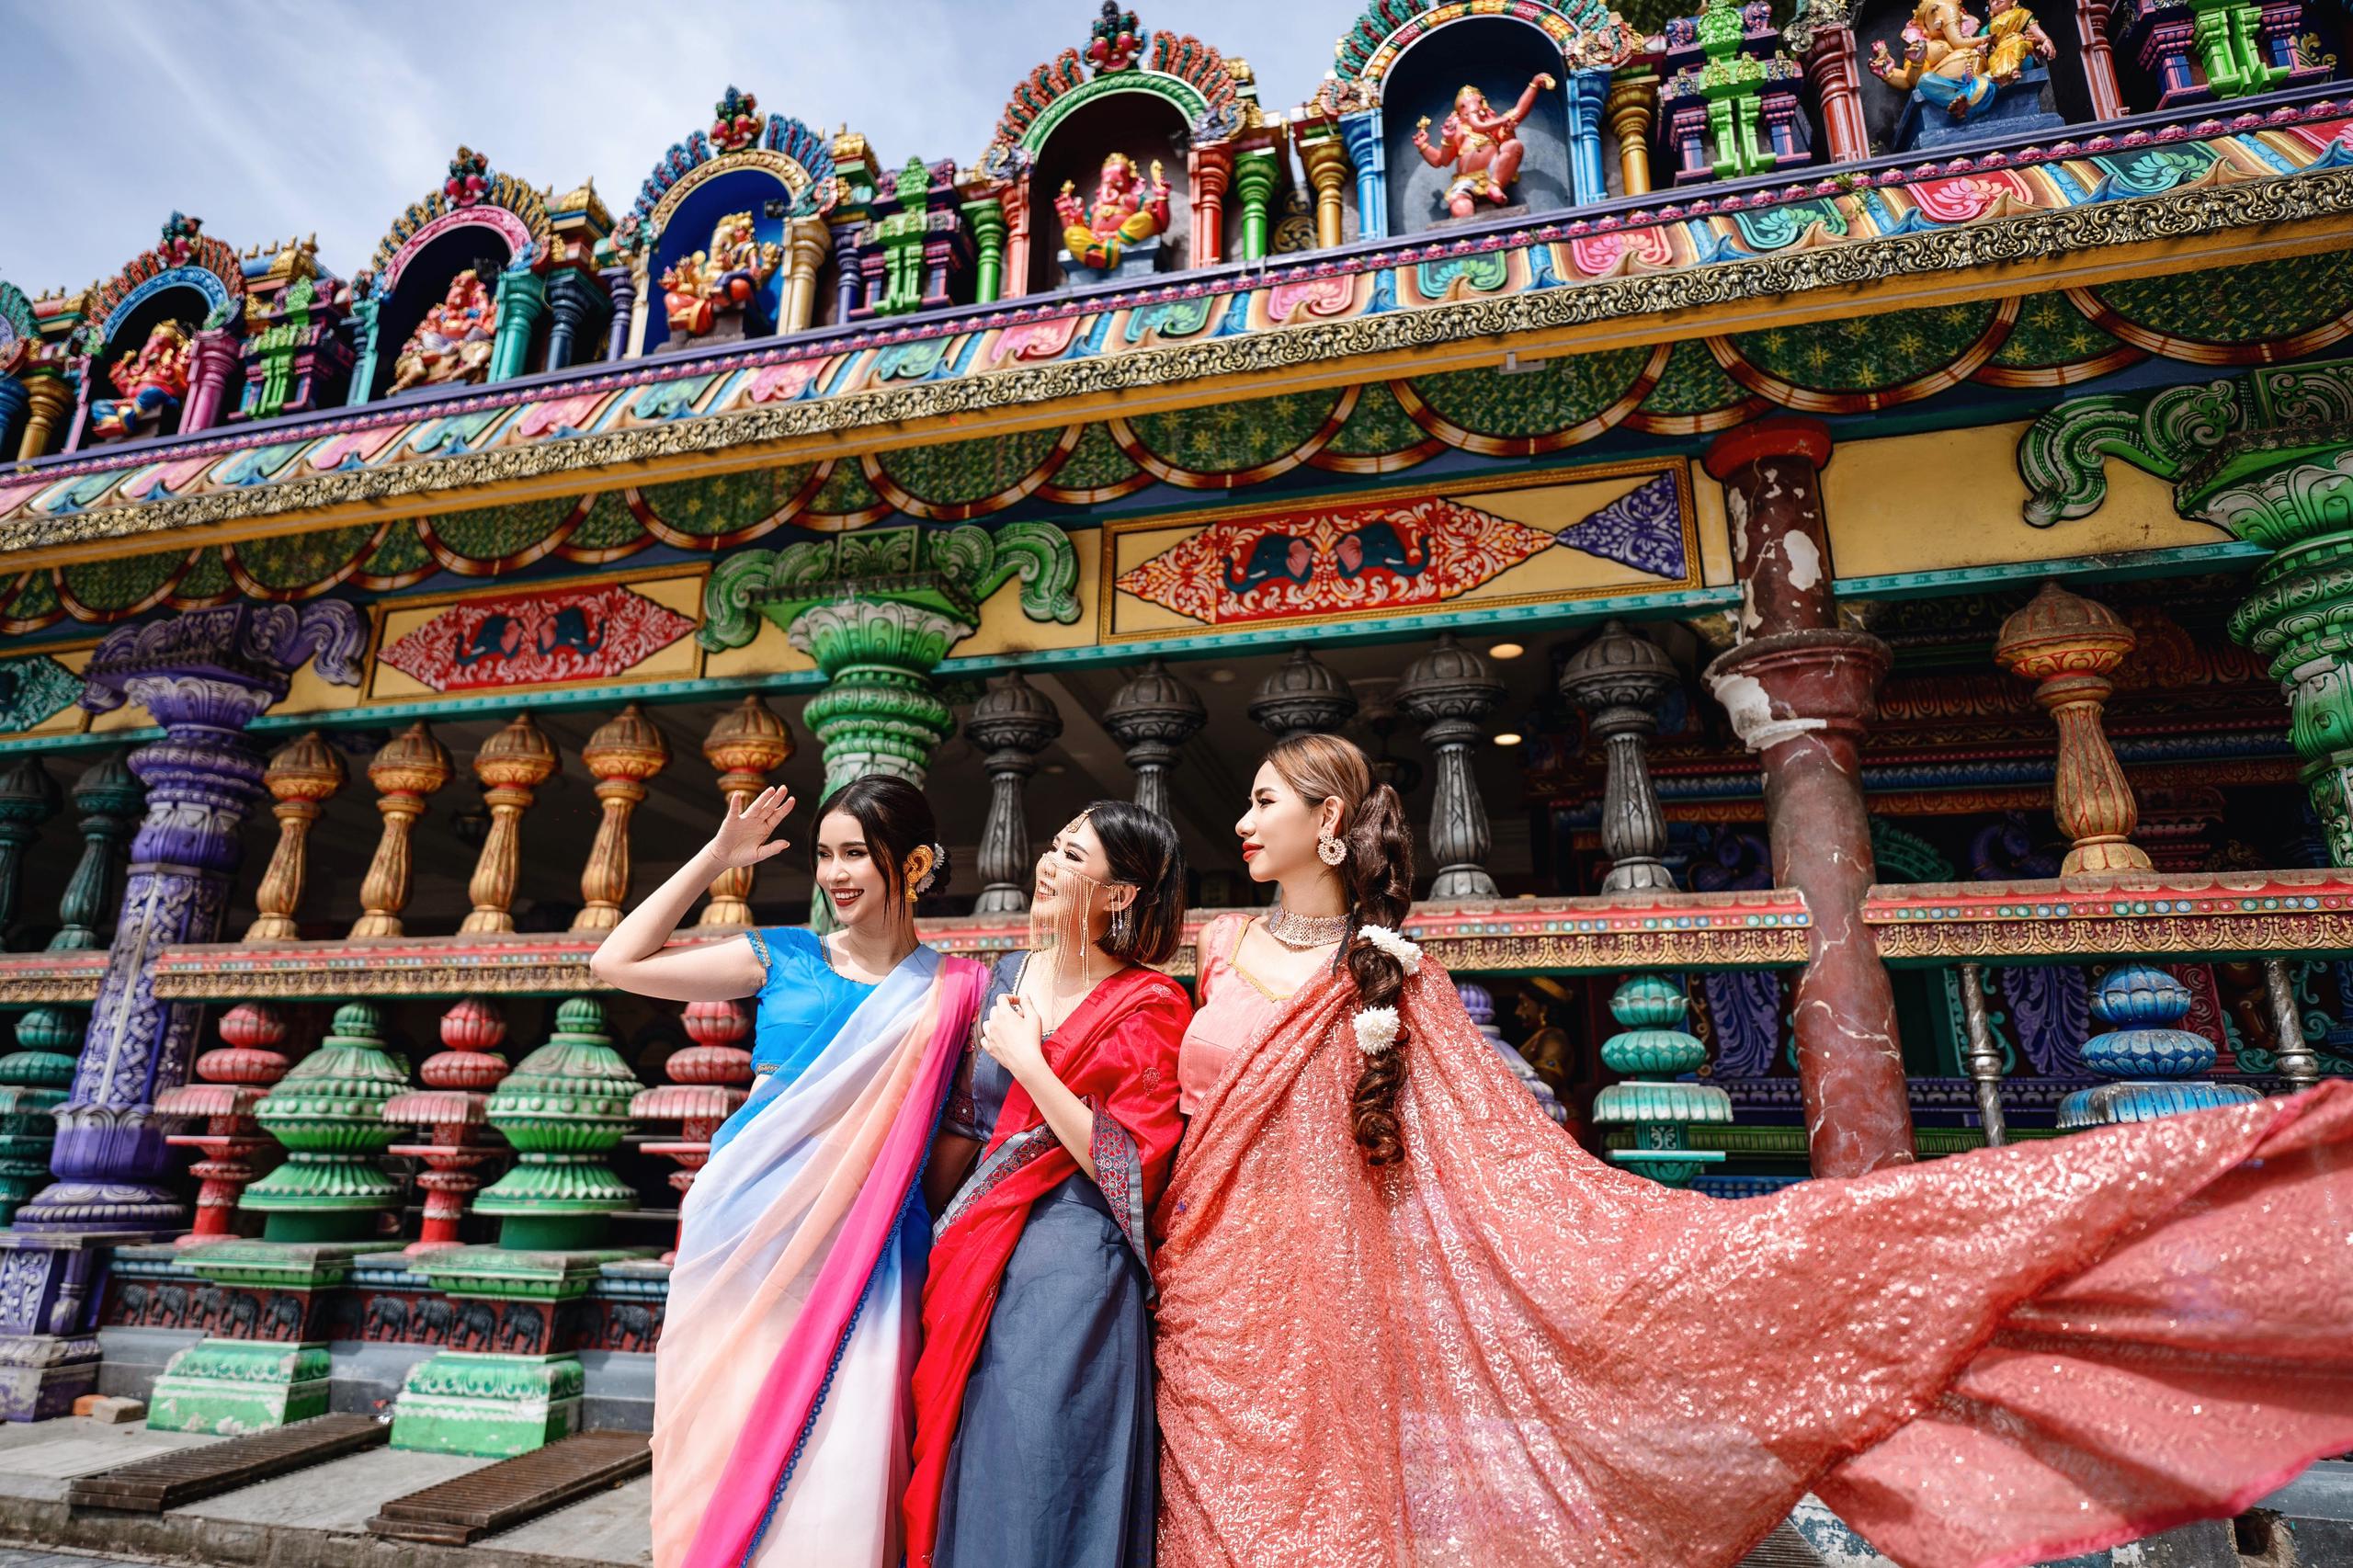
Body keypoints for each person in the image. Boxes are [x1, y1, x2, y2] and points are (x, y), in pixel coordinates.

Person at [1154, 733, 2353, 1568]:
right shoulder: (1215, 947)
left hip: (1332, 1299)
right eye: (1243, 801)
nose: (1242, 822)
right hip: (1209, 1287)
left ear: (1327, 820)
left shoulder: (1396, 974)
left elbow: (1490, 1160)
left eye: (1262, 800)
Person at [590, 776, 986, 1568]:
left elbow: (960, 1134)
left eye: (856, 855)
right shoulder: (785, 955)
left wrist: (899, 1215)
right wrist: (716, 859)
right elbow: (616, 961)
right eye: (825, 855)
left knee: (849, 1450)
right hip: (743, 1230)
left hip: (874, 1246)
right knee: (723, 1427)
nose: (836, 874)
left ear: (913, 865)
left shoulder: (959, 990)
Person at [905, 802, 1191, 1568]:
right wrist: (907, 1237)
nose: (1048, 864)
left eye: (1073, 856)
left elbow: (1131, 1166)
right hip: (968, 1252)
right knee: (968, 1457)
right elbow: (964, 1124)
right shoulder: (1000, 978)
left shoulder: (1151, 1004)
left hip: (1072, 1262)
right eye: (1055, 846)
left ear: (1118, 894)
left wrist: (1031, 1063)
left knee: (1040, 1464)